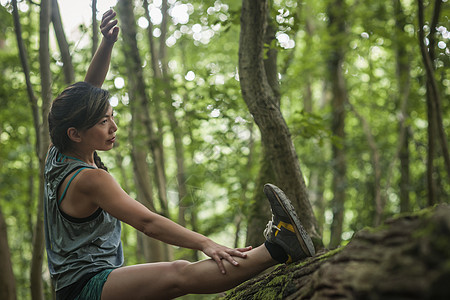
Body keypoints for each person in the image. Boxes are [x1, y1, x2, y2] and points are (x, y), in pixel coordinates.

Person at [44, 9, 315, 300]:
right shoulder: (90, 179)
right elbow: (148, 223)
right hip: (86, 288)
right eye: (103, 122)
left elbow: (88, 93)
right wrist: (205, 243)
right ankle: (280, 248)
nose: (114, 127)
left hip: (77, 285)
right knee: (179, 274)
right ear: (76, 133)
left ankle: (281, 242)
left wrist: (107, 44)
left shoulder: (59, 154)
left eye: (111, 116)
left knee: (177, 272)